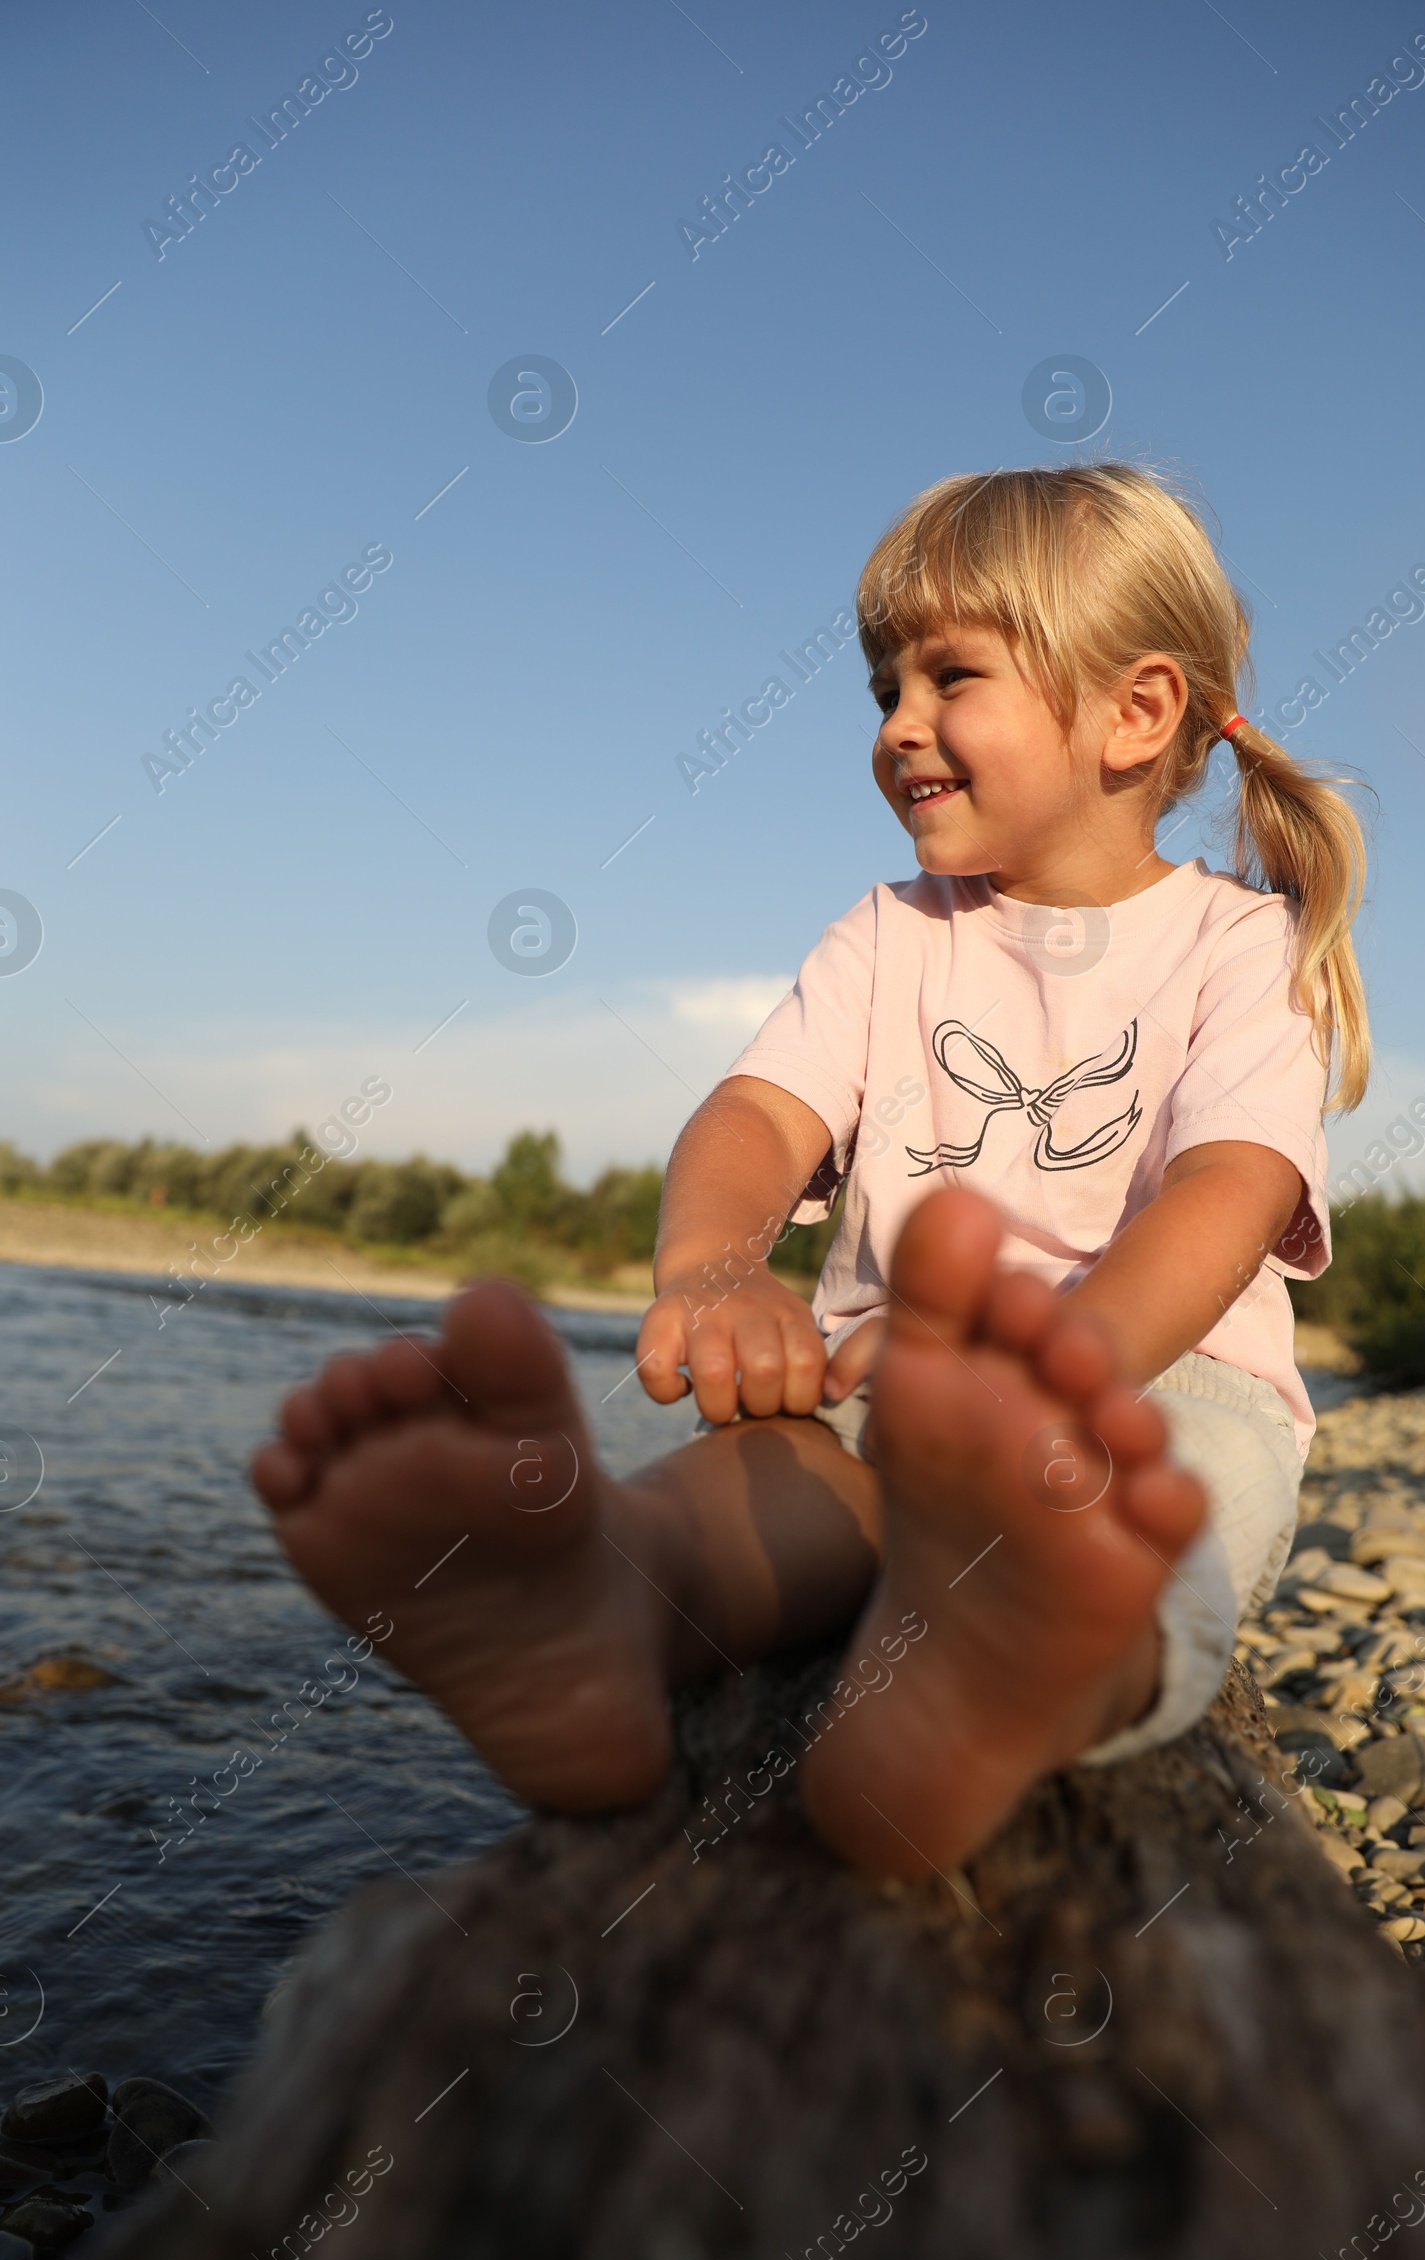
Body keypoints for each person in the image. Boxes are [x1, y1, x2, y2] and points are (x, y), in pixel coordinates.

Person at [251, 463, 1368, 1878]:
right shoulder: (893, 930)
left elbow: (1231, 1194)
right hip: (874, 1381)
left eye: (949, 677)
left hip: (1149, 1390)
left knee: (1139, 1539)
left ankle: (1003, 1689)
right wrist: (717, 1268)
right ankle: (595, 1617)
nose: (900, 725)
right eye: (882, 688)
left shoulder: (1236, 946)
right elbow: (756, 1118)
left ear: (1135, 714)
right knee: (762, 1488)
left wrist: (1044, 1369)